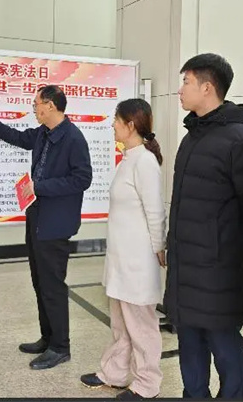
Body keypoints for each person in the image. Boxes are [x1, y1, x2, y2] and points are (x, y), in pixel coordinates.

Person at [0, 85, 92, 370]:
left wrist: (40, 187)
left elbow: (83, 179)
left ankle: (61, 347)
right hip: (37, 217)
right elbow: (17, 138)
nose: (34, 109)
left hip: (56, 223)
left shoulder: (73, 138)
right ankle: (48, 338)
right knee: (39, 281)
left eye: (36, 104)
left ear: (51, 105)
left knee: (53, 285)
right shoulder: (43, 133)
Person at [165, 53, 243, 398]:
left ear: (207, 88)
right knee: (189, 341)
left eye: (186, 82)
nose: (180, 90)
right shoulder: (192, 137)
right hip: (186, 264)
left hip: (219, 269)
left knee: (223, 342)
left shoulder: (241, 141)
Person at [79, 98, 166, 401]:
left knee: (141, 325)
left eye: (116, 120)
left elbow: (155, 211)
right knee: (120, 321)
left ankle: (147, 384)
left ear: (131, 125)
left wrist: (159, 246)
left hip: (138, 260)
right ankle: (114, 373)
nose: (112, 125)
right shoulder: (128, 159)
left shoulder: (145, 162)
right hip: (121, 257)